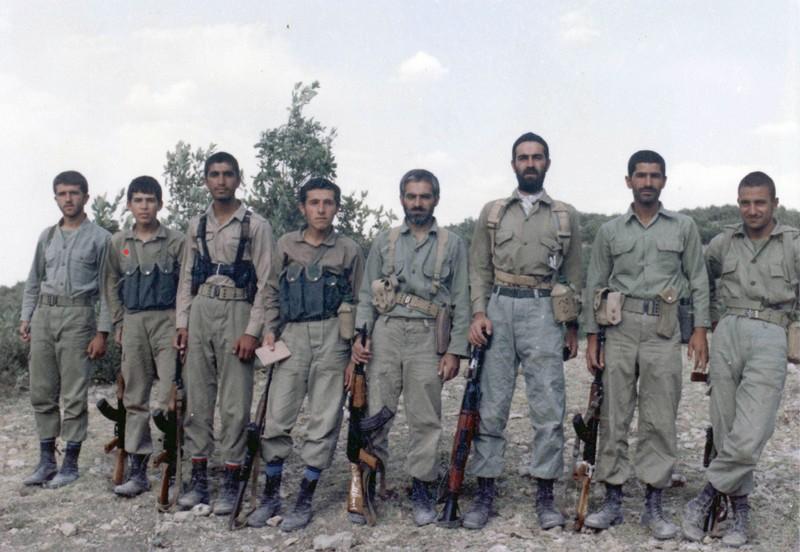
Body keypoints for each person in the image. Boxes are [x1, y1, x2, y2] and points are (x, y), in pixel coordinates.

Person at [583, 150, 709, 539]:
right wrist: (592, 337)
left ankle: (654, 503)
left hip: (663, 328)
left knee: (660, 415)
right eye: (641, 175)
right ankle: (613, 499)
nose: (648, 182)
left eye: (655, 176)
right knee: (614, 413)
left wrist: (700, 329)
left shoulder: (684, 227)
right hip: (619, 327)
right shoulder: (610, 231)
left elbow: (698, 278)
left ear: (664, 181)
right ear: (629, 181)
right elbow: (594, 283)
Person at [465, 132, 582, 530]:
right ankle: (484, 491)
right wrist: (478, 313)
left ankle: (545, 493)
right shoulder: (493, 212)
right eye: (523, 157)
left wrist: (572, 328)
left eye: (537, 157)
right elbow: (479, 268)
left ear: (547, 163)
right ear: (513, 163)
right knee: (490, 404)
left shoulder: (564, 215)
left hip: (544, 310)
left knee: (548, 405)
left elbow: (574, 275)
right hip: (499, 307)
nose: (530, 163)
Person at [682, 171, 799, 547]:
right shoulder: (722, 243)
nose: (752, 210)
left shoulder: (794, 244)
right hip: (728, 331)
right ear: (738, 204)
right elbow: (699, 281)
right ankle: (740, 512)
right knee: (726, 427)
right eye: (745, 203)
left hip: (771, 332)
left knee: (751, 434)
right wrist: (702, 325)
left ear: (775, 204)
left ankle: (705, 496)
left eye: (760, 202)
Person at [351, 169, 470, 526]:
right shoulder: (384, 240)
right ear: (402, 198)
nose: (418, 203)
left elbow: (461, 300)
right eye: (411, 196)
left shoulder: (453, 243)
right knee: (376, 413)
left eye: (424, 196)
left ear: (436, 199)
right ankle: (369, 485)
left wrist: (454, 350)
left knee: (425, 417)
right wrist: (361, 336)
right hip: (386, 333)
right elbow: (365, 295)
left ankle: (422, 487)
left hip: (428, 336)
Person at [247, 177, 364, 531]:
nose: (321, 209)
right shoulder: (285, 244)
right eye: (314, 203)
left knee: (324, 419)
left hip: (334, 336)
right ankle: (270, 495)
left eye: (328, 203)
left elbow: (361, 300)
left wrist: (353, 354)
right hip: (292, 335)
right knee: (277, 416)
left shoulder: (349, 250)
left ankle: (304, 499)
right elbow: (269, 290)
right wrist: (270, 328)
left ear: (337, 208)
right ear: (303, 207)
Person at [174, 152, 278, 514]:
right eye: (214, 174)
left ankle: (232, 478)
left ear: (238, 178)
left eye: (228, 174)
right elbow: (187, 277)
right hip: (201, 310)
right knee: (197, 399)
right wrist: (182, 323)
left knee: (235, 403)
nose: (221, 181)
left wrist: (253, 330)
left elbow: (267, 283)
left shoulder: (256, 225)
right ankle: (199, 478)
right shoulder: (196, 224)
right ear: (205, 179)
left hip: (238, 310)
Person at [20, 170, 111, 488]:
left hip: (78, 316)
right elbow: (34, 280)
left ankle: (70, 464)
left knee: (73, 393)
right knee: (41, 391)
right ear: (55, 198)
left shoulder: (101, 238)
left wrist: (102, 332)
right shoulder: (47, 236)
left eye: (74, 193)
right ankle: (47, 461)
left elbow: (107, 289)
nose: (68, 199)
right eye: (62, 193)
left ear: (86, 197)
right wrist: (26, 317)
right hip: (44, 315)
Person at [102, 176, 184, 497]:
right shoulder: (118, 243)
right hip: (134, 321)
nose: (144, 206)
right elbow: (110, 283)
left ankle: (174, 460)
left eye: (150, 200)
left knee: (170, 395)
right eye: (138, 200)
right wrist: (119, 321)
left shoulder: (176, 241)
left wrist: (182, 324)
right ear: (129, 205)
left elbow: (186, 285)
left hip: (167, 320)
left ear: (160, 204)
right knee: (134, 395)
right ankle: (138, 467)